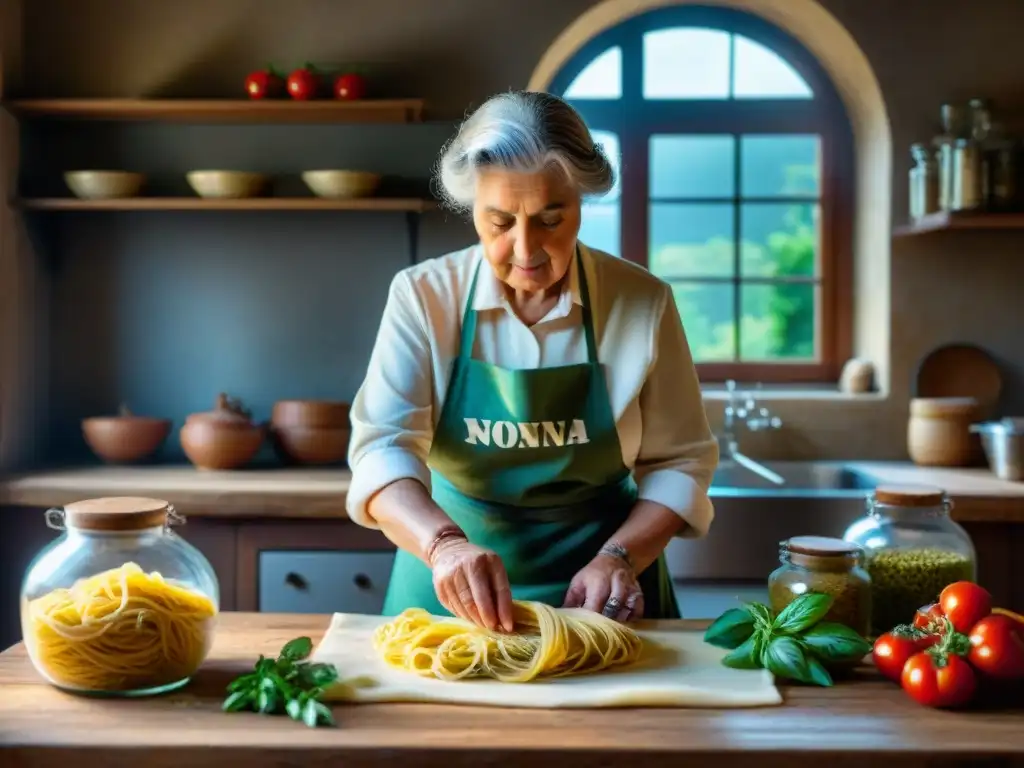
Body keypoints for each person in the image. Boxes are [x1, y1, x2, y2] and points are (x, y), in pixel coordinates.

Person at [346, 90, 718, 632]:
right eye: (500, 222)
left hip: (602, 596)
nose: (526, 250)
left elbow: (680, 463)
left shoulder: (642, 302)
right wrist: (444, 547)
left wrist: (619, 558)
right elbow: (382, 449)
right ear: (472, 208)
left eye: (551, 218)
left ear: (582, 203)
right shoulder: (423, 297)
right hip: (448, 591)